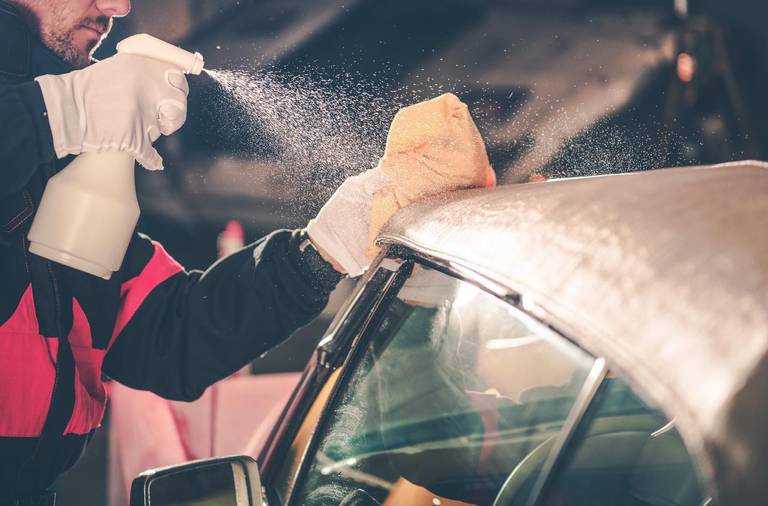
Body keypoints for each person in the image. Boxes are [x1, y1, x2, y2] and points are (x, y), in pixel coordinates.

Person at [0, 0, 391, 503]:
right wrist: (55, 112)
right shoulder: (45, 125)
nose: (117, 7)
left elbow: (168, 333)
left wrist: (321, 251)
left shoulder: (52, 173)